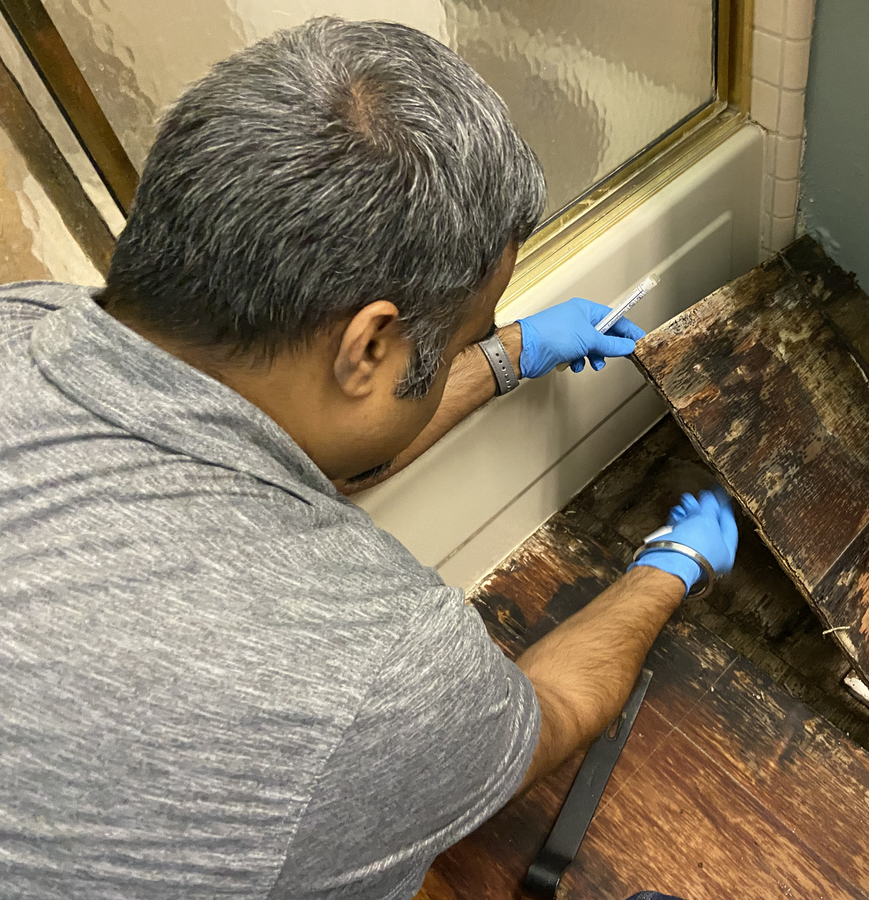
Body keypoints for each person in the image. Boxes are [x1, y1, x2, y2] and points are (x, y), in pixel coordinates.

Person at [0, 17, 738, 899]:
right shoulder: (378, 669)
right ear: (367, 347)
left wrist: (507, 356)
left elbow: (307, 440)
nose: (479, 341)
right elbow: (550, 719)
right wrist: (673, 565)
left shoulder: (27, 319)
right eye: (470, 326)